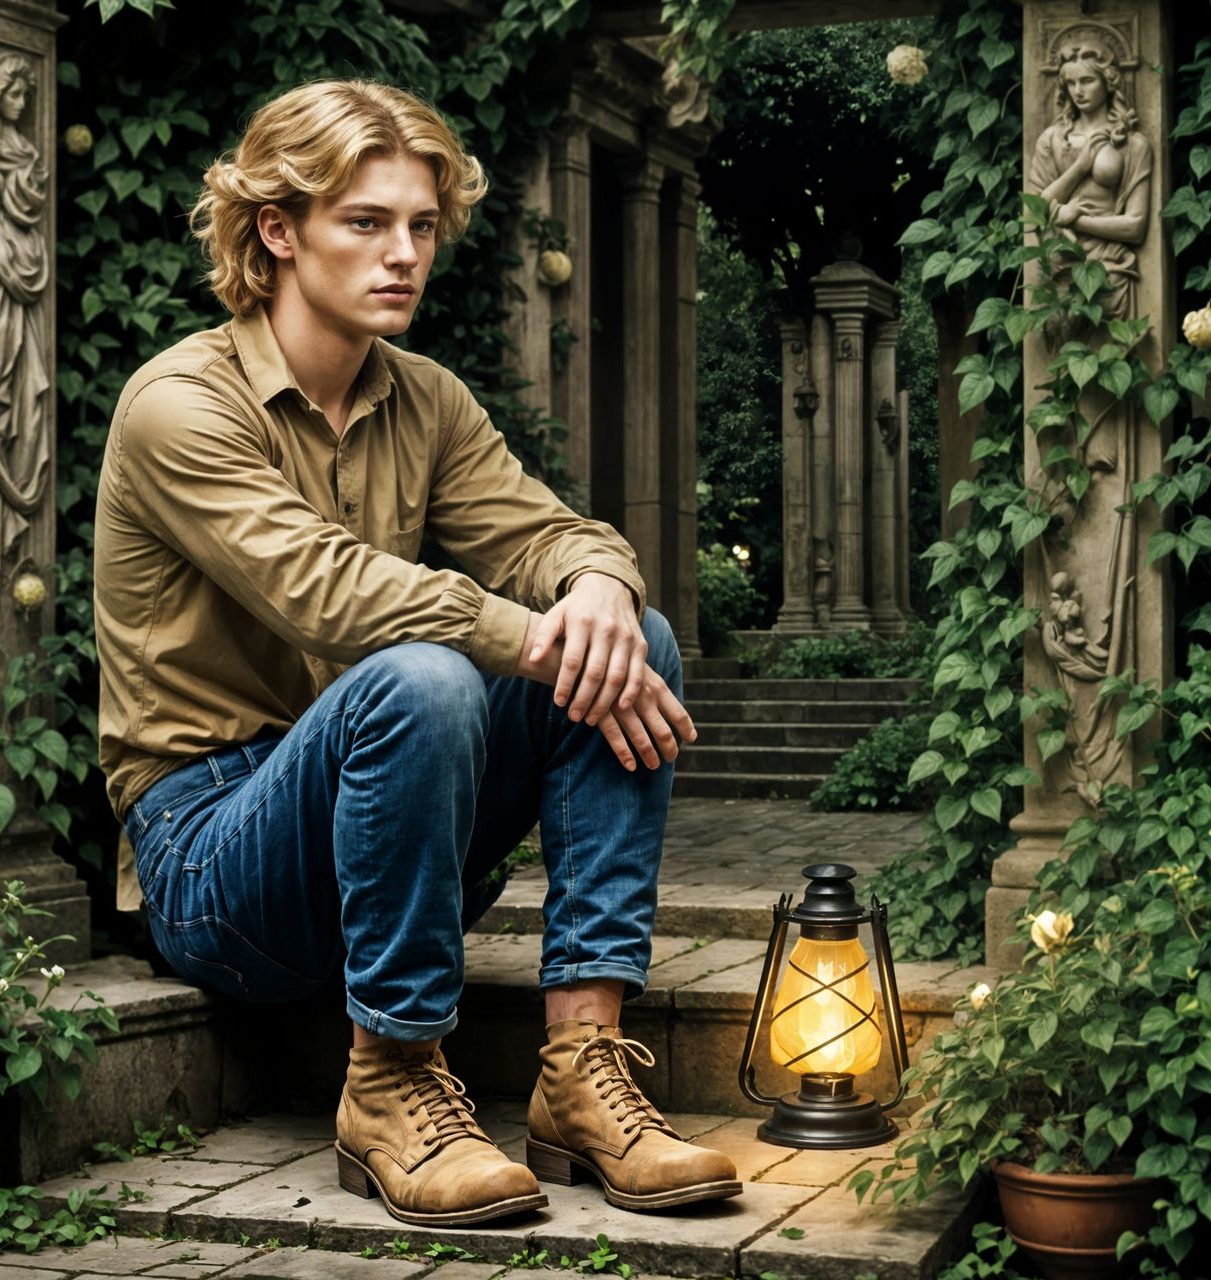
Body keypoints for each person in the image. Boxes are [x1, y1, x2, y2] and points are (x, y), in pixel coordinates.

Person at [93, 79, 740, 1228]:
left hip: (387, 821)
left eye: (422, 225)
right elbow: (327, 590)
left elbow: (546, 532)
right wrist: (531, 636)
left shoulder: (424, 401)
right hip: (215, 857)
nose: (404, 254)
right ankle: (390, 1081)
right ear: (277, 230)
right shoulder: (177, 404)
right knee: (424, 670)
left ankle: (583, 1070)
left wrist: (593, 580)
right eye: (367, 222)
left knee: (627, 634)